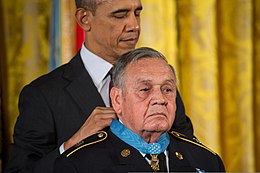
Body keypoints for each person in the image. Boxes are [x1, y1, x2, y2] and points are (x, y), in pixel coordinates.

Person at [5, 0, 194, 173]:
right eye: (120, 15)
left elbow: (191, 156)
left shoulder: (160, 86)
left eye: (137, 13)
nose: (134, 26)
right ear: (84, 19)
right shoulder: (43, 94)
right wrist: (72, 143)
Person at [53, 47, 225, 173]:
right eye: (145, 89)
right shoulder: (78, 165)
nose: (160, 99)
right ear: (117, 100)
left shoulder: (207, 161)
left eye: (167, 90)